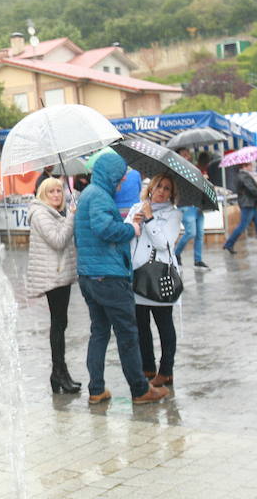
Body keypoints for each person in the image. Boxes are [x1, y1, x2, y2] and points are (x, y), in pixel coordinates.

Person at [73, 152, 169, 406]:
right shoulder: (100, 197)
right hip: (109, 277)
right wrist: (131, 229)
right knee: (127, 334)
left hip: (89, 276)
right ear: (111, 175)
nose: (121, 183)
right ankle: (140, 390)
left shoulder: (89, 195)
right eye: (120, 178)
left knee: (100, 333)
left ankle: (97, 389)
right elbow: (104, 229)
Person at [125, 174, 182, 389]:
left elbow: (164, 243)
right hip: (137, 276)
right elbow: (126, 237)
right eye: (158, 186)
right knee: (141, 325)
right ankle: (147, 366)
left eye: (167, 189)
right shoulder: (135, 208)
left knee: (164, 325)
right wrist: (134, 224)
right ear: (150, 188)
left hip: (159, 277)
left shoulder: (174, 214)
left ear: (172, 194)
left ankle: (166, 370)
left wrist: (149, 220)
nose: (161, 191)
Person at [25, 176, 79, 394]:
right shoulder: (40, 213)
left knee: (61, 324)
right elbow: (58, 240)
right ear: (43, 195)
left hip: (59, 275)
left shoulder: (53, 212)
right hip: (52, 277)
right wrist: (72, 217)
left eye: (59, 191)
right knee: (58, 325)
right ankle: (59, 372)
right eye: (52, 192)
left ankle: (59, 373)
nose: (57, 195)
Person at [223, 161, 257, 254]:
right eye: (250, 165)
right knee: (243, 225)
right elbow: (252, 189)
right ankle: (229, 244)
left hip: (250, 203)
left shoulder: (243, 175)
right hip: (248, 204)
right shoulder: (244, 176)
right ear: (245, 166)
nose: (252, 167)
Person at [173, 149, 209, 269]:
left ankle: (198, 260)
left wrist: (203, 179)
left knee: (199, 234)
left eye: (188, 154)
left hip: (197, 205)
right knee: (190, 233)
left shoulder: (193, 168)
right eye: (184, 154)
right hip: (186, 205)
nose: (187, 156)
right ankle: (176, 253)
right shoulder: (176, 170)